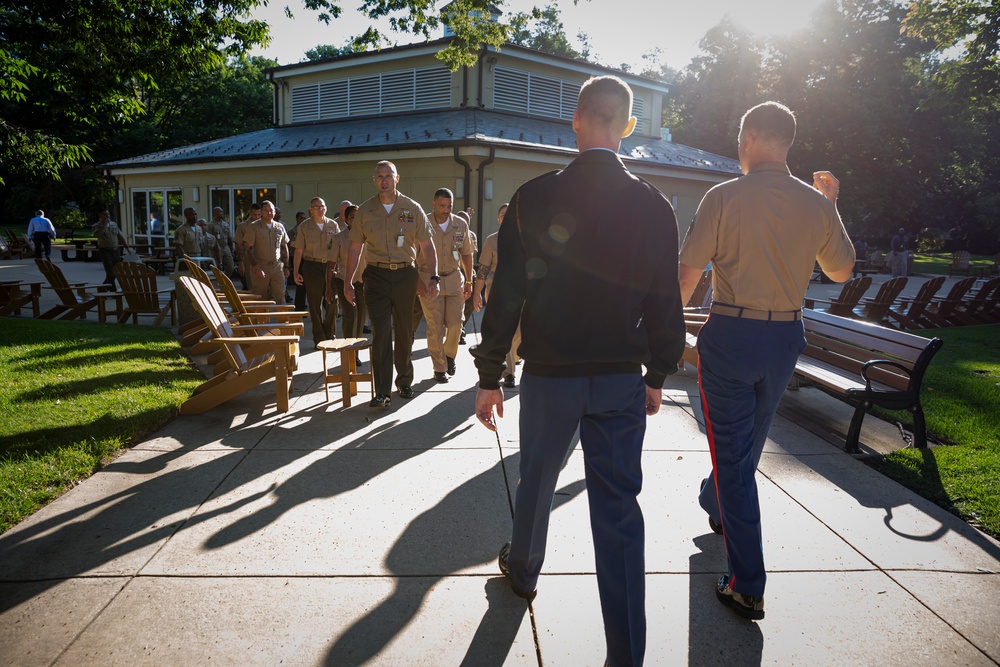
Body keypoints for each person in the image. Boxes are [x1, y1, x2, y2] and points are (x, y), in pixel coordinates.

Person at [472, 75, 686, 667]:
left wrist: (490, 374)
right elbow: (666, 301)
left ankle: (523, 569)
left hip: (550, 375)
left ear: (574, 119)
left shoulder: (533, 198)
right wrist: (658, 372)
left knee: (537, 479)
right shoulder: (653, 205)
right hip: (620, 375)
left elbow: (506, 294)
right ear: (627, 125)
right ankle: (626, 654)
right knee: (619, 513)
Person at [677, 101, 855, 622]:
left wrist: (661, 334)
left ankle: (746, 583)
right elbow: (842, 271)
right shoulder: (817, 203)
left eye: (738, 138)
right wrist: (832, 205)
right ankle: (717, 503)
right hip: (785, 338)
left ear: (751, 137)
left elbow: (686, 276)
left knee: (734, 454)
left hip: (732, 333)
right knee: (747, 440)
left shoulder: (723, 196)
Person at [343, 160, 439, 408]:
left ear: (397, 179)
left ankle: (404, 382)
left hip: (406, 275)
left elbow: (427, 246)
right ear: (374, 181)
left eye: (389, 175)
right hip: (375, 277)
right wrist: (348, 282)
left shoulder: (412, 208)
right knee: (381, 332)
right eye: (379, 176)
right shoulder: (365, 211)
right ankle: (382, 391)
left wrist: (434, 277)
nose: (384, 180)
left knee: (405, 331)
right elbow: (355, 248)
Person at [417, 188, 474, 383]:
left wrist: (469, 280)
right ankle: (439, 368)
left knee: (456, 323)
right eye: (442, 206)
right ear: (433, 204)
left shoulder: (460, 224)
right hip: (428, 280)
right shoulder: (422, 223)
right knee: (435, 326)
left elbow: (467, 253)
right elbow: (410, 255)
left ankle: (450, 356)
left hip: (454, 279)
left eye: (449, 206)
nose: (446, 210)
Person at [474, 203, 520, 388]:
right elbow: (483, 269)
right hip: (497, 291)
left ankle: (513, 359)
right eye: (502, 215)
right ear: (499, 219)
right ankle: (508, 372)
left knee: (518, 332)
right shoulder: (492, 241)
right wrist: (477, 293)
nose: (505, 217)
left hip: (520, 291)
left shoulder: (525, 239)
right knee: (505, 330)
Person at [293, 197, 340, 346]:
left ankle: (329, 332)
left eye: (322, 206)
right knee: (314, 304)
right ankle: (319, 337)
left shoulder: (333, 225)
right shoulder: (304, 227)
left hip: (330, 267)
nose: (320, 209)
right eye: (316, 207)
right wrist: (295, 272)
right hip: (312, 266)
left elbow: (339, 248)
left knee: (333, 301)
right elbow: (299, 251)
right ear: (311, 210)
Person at [327, 204, 367, 359]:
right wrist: (329, 288)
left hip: (362, 282)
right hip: (343, 280)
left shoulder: (368, 237)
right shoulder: (338, 238)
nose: (355, 220)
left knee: (361, 316)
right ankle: (348, 349)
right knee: (350, 315)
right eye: (352, 217)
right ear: (346, 219)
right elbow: (331, 265)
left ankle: (355, 350)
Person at [243, 201, 291, 304]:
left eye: (271, 210)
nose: (269, 213)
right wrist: (256, 267)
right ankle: (260, 320)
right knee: (260, 298)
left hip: (277, 267)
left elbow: (284, 247)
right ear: (261, 212)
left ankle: (282, 320)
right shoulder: (254, 226)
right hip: (260, 266)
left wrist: (286, 266)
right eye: (266, 210)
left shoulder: (279, 227)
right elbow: (247, 249)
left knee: (280, 297)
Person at [93, 208, 129, 288]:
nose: (107, 216)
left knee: (116, 271)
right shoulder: (96, 226)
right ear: (100, 215)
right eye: (105, 214)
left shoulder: (113, 224)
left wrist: (126, 246)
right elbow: (98, 235)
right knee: (110, 271)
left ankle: (104, 287)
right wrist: (104, 225)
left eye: (108, 214)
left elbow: (120, 236)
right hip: (105, 250)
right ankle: (113, 290)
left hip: (115, 250)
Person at [233, 203, 261, 291]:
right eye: (254, 215)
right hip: (248, 260)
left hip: (262, 258)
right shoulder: (243, 226)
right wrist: (240, 263)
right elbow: (238, 246)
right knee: (251, 286)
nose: (257, 217)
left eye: (259, 215)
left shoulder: (264, 225)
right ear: (249, 213)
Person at [287, 211, 308, 310]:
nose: (303, 220)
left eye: (304, 218)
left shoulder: (307, 228)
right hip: (296, 257)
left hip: (307, 258)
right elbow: (288, 245)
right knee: (300, 285)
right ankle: (299, 307)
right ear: (297, 219)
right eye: (301, 218)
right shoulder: (292, 231)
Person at [207, 207, 235, 275]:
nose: (222, 213)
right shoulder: (211, 225)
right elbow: (209, 238)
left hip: (226, 247)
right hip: (216, 249)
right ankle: (219, 282)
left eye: (222, 212)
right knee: (218, 267)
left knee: (231, 267)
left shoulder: (225, 224)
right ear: (215, 213)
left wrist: (231, 249)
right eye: (220, 212)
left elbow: (229, 238)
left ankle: (225, 279)